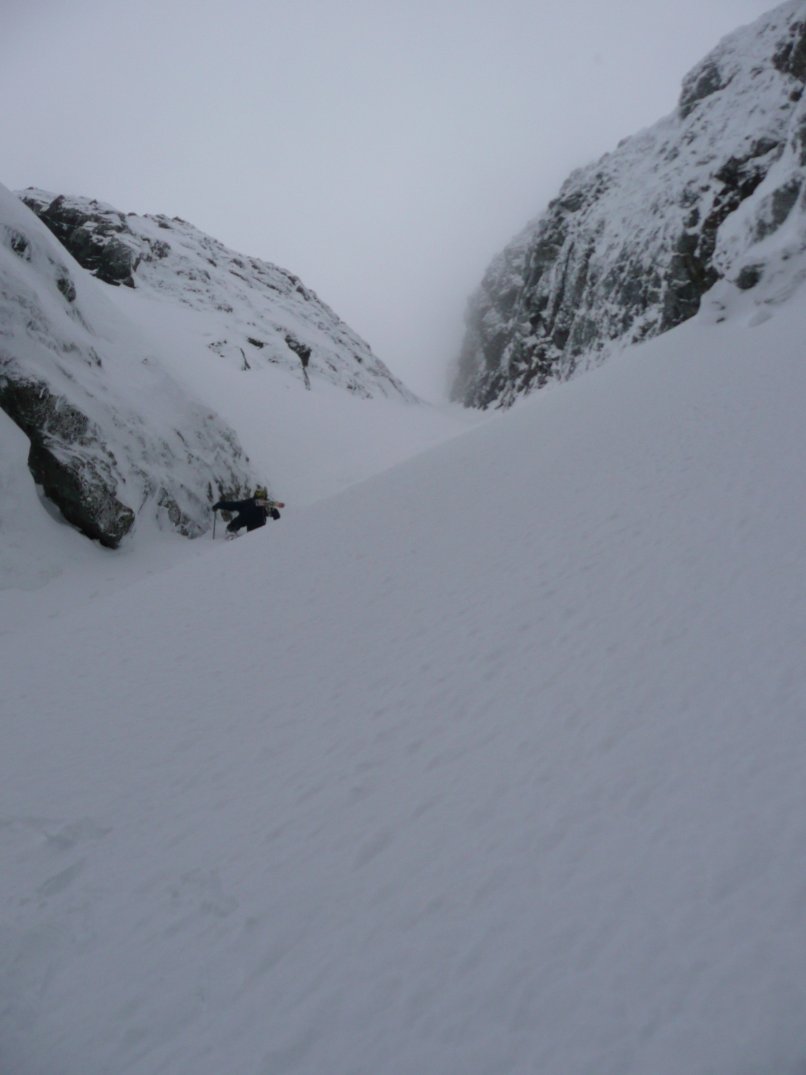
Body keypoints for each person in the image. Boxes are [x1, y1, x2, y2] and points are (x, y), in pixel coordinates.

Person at [213, 486, 283, 537]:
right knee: (238, 521)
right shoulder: (248, 503)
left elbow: (275, 512)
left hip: (259, 533)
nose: (260, 497)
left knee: (240, 521)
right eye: (258, 494)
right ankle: (230, 532)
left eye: (262, 495)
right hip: (244, 527)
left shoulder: (265, 507)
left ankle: (231, 531)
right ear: (255, 495)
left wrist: (276, 529)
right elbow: (231, 505)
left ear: (265, 496)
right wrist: (219, 505)